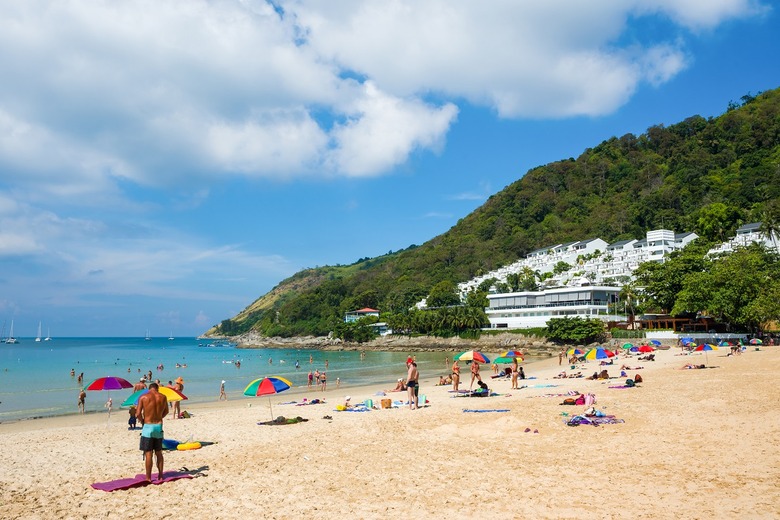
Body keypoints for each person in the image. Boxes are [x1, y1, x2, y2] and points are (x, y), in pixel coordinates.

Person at [135, 382, 168, 482]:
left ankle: (148, 478)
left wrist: (143, 421)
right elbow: (166, 411)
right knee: (159, 452)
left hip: (148, 426)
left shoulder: (143, 397)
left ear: (149, 389)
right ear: (157, 389)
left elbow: (137, 414)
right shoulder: (163, 397)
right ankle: (161, 475)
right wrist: (159, 417)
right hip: (158, 426)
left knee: (148, 453)